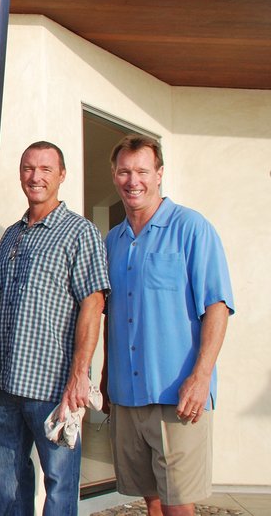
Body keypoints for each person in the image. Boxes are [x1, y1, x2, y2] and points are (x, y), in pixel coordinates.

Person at [105, 135, 234, 516]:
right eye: (125, 172)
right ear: (114, 176)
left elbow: (217, 306)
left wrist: (201, 376)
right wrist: (108, 378)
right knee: (151, 497)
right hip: (127, 396)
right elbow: (114, 313)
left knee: (179, 502)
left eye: (142, 171)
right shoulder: (112, 240)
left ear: (159, 174)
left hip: (178, 395)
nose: (133, 180)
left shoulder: (191, 228)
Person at [0, 141, 110, 516]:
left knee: (59, 485)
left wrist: (79, 377)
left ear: (62, 176)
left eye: (45, 169)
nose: (35, 177)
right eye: (27, 168)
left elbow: (93, 302)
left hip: (54, 387)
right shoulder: (11, 235)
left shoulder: (80, 232)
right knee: (7, 483)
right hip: (4, 385)